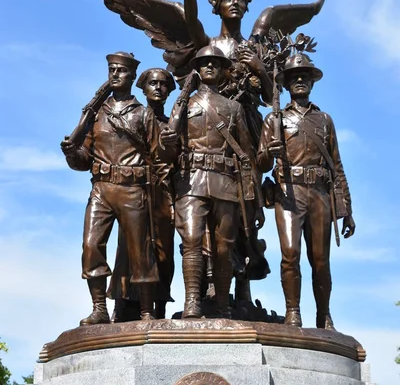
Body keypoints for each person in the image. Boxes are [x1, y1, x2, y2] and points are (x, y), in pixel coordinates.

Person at [257, 53, 355, 330]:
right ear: (286, 84)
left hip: (320, 194)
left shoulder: (324, 120)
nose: (300, 81)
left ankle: (324, 314)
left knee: (321, 260)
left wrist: (346, 208)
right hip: (288, 192)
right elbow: (260, 163)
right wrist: (269, 151)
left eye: (305, 77)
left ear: (312, 83)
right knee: (290, 254)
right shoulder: (274, 119)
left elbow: (336, 165)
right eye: (294, 77)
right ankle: (293, 312)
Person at [60, 52, 159, 325]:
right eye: (112, 69)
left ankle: (147, 311)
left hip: (132, 188)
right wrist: (71, 153)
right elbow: (83, 160)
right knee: (91, 246)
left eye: (121, 70)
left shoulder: (143, 114)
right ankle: (99, 308)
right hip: (101, 189)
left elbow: (159, 157)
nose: (115, 74)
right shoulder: (96, 115)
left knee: (141, 251)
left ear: (131, 76)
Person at [160, 45, 257, 319]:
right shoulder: (183, 105)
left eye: (215, 62)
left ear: (223, 68)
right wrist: (165, 143)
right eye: (204, 63)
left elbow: (246, 153)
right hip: (190, 181)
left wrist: (249, 193)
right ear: (197, 69)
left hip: (225, 182)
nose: (210, 67)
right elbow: (169, 152)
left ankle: (223, 305)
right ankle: (192, 302)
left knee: (223, 246)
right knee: (191, 239)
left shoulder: (234, 108)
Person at [108, 68, 176, 320]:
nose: (158, 88)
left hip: (163, 193)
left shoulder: (173, 124)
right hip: (134, 189)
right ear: (143, 88)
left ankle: (159, 306)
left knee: (163, 251)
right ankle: (123, 304)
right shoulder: (133, 117)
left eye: (163, 84)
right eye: (152, 83)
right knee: (127, 249)